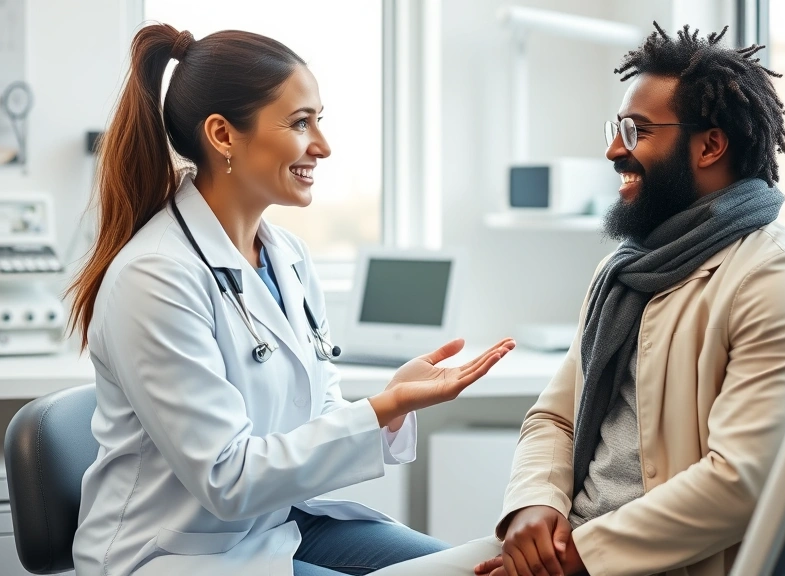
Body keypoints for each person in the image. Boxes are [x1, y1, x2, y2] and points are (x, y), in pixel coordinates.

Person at [373, 23, 785, 576]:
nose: (613, 148)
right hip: (566, 546)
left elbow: (743, 480)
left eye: (637, 130)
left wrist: (576, 558)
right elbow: (555, 417)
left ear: (710, 146)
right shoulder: (624, 271)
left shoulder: (784, 282)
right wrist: (534, 503)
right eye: (617, 127)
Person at [66, 24, 514, 576]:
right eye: (302, 123)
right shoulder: (156, 276)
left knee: (480, 568)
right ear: (223, 135)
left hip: (279, 524)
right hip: (179, 550)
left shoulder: (289, 258)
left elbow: (316, 416)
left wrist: (391, 403)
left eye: (319, 121)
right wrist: (381, 411)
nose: (322, 146)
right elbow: (226, 479)